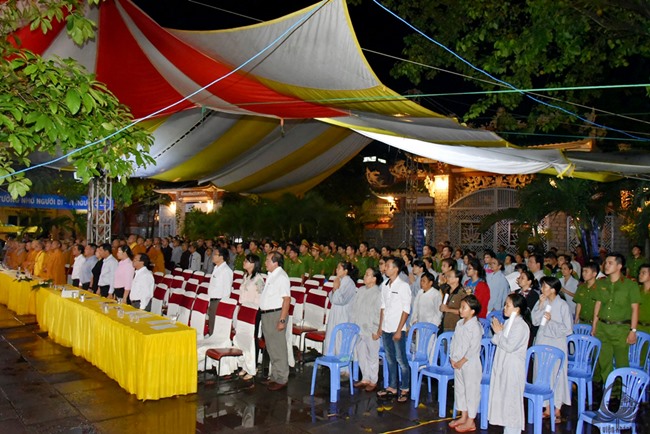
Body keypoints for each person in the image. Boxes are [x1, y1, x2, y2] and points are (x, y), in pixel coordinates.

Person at [592, 252, 640, 383]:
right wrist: (594, 325)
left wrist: (633, 330)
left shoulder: (630, 285)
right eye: (605, 263)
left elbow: (635, 309)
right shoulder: (602, 283)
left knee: (621, 362)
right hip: (603, 327)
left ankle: (623, 391)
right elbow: (598, 304)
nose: (606, 265)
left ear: (619, 266)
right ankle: (608, 390)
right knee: (604, 362)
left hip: (620, 329)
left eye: (610, 263)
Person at [488, 293, 531, 434]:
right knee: (504, 402)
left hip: (513, 369)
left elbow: (509, 346)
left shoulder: (521, 326)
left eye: (508, 305)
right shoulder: (508, 323)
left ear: (517, 309)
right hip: (503, 365)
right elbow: (496, 340)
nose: (504, 308)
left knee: (512, 404)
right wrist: (499, 333)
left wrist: (499, 333)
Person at [532, 276, 572, 421]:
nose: (542, 289)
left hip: (556, 343)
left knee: (556, 374)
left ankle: (557, 408)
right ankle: (546, 406)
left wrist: (551, 322)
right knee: (542, 372)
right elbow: (535, 321)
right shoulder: (542, 301)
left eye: (545, 286)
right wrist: (540, 305)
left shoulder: (562, 305)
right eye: (542, 286)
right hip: (542, 340)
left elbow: (568, 329)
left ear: (553, 289)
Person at [376, 257, 411, 403]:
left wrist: (399, 330)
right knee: (390, 358)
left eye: (388, 266)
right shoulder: (385, 285)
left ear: (396, 269)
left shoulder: (403, 286)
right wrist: (380, 326)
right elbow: (383, 307)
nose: (385, 268)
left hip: (397, 328)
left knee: (401, 359)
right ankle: (392, 386)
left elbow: (406, 310)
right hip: (386, 327)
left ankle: (405, 388)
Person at [448, 295, 483, 432]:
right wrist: (452, 358)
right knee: (460, 390)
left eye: (464, 308)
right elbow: (454, 341)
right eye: (461, 307)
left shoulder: (476, 327)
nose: (460, 310)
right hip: (457, 363)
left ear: (472, 311)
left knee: (471, 392)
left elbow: (474, 348)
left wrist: (462, 361)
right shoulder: (459, 324)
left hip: (469, 364)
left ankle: (471, 421)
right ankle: (463, 416)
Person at [260, 252, 291, 391]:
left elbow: (287, 300)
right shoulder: (272, 275)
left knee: (278, 347)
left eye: (267, 260)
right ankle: (274, 376)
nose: (265, 262)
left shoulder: (281, 277)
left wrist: (282, 320)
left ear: (275, 262)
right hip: (267, 314)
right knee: (272, 348)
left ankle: (282, 378)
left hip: (276, 314)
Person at [351, 267, 383, 392]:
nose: (364, 276)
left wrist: (376, 329)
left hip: (370, 329)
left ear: (374, 279)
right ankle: (365, 377)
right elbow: (354, 308)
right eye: (365, 274)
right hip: (359, 327)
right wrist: (353, 324)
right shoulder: (361, 290)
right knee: (361, 353)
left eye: (368, 275)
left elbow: (378, 313)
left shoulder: (378, 293)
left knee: (372, 355)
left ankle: (373, 380)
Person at [324, 261, 358, 358]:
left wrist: (336, 288)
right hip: (335, 312)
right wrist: (334, 289)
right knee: (333, 335)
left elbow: (341, 300)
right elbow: (332, 299)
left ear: (345, 271)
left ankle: (343, 362)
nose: (336, 270)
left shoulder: (349, 283)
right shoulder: (339, 280)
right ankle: (331, 357)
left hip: (343, 314)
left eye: (339, 268)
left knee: (341, 338)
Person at [207, 247, 234, 335]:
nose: (213, 256)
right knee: (211, 325)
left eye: (215, 254)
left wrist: (222, 306)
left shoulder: (226, 271)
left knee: (216, 326)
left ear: (221, 257)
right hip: (212, 300)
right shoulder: (216, 268)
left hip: (218, 302)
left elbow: (227, 291)